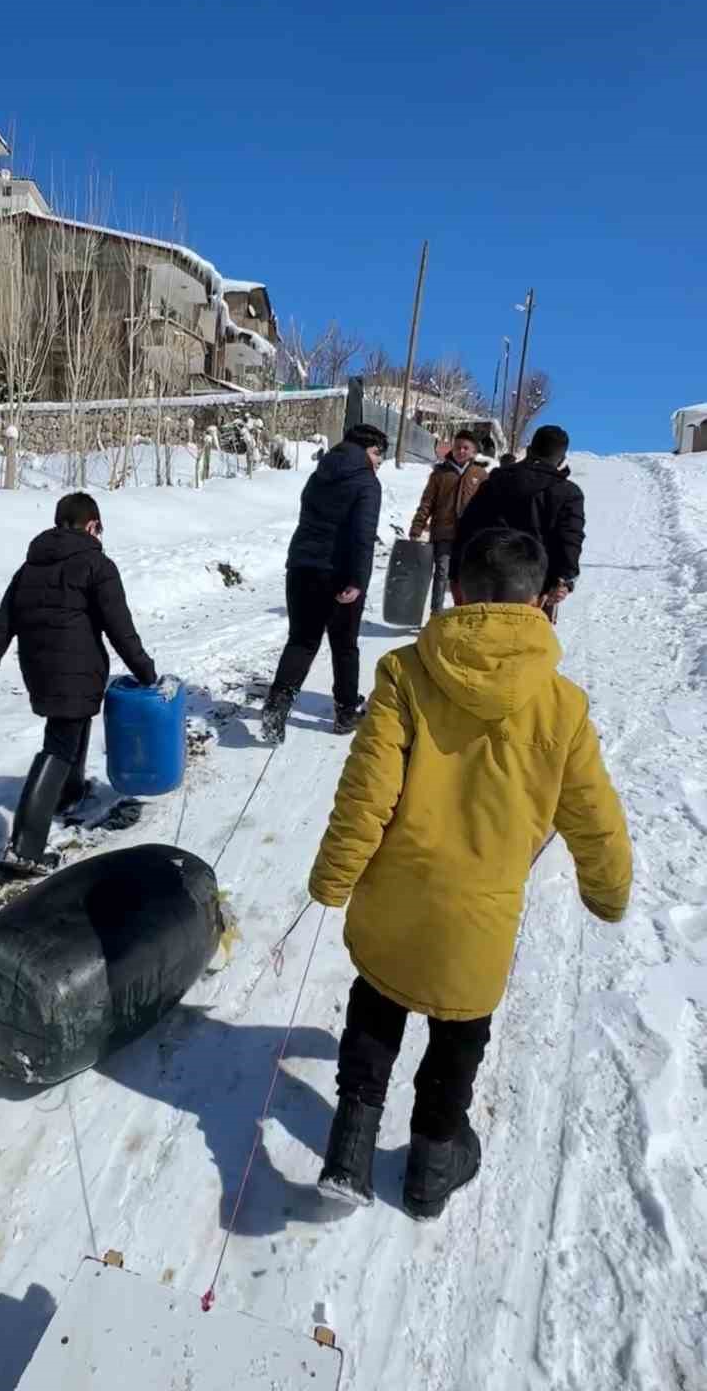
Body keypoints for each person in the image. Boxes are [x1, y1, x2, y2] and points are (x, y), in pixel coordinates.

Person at [309, 527, 631, 1220]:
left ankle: (349, 1148)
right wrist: (608, 890)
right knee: (459, 1033)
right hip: (481, 913)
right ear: (541, 602)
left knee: (378, 1001)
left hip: (396, 892)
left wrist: (334, 878)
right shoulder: (563, 704)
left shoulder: (404, 672)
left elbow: (367, 793)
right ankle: (432, 1168)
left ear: (456, 591)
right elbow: (593, 814)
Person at [0, 492, 156, 872]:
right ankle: (25, 849)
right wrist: (146, 672)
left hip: (40, 672)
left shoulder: (29, 568)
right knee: (60, 745)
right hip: (76, 671)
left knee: (71, 727)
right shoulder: (97, 565)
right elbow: (121, 629)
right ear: (92, 525)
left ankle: (68, 793)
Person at [261, 423, 388, 745]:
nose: (379, 461)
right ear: (365, 450)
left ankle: (277, 704)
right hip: (338, 572)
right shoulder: (366, 482)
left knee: (301, 640)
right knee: (345, 644)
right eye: (377, 453)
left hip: (301, 566)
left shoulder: (319, 474)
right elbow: (363, 536)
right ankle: (346, 712)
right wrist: (357, 580)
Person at [452, 425, 585, 621]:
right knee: (525, 639)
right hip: (534, 589)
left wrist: (455, 575)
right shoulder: (568, 493)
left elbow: (467, 528)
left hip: (484, 583)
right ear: (561, 459)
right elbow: (570, 539)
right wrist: (564, 580)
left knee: (480, 637)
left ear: (529, 450)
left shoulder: (494, 481)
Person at [408, 429, 488, 615]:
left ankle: (464, 612)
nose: (461, 451)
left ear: (473, 451)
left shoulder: (480, 474)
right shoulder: (440, 473)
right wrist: (417, 526)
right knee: (442, 572)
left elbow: (487, 505)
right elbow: (427, 502)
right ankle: (436, 612)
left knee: (465, 575)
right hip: (443, 532)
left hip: (469, 535)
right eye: (458, 447)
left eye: (466, 448)